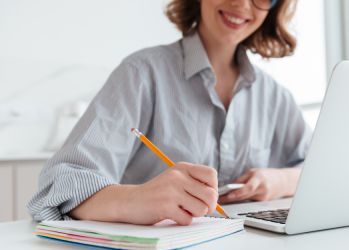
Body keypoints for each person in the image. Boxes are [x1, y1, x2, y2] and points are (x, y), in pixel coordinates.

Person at [28, 0, 311, 226]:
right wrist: (137, 199)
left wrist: (279, 181)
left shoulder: (276, 97)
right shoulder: (141, 73)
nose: (241, 4)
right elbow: (58, 185)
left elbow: (319, 171)